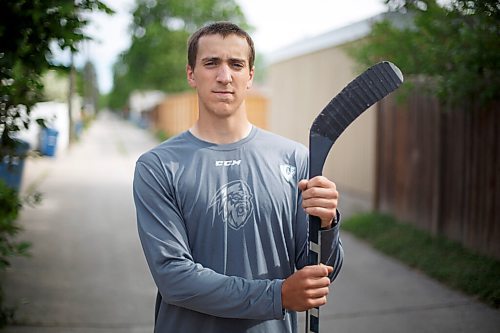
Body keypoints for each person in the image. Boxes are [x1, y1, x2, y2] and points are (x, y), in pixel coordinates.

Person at [133, 21, 343, 333]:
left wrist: (326, 224)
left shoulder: (295, 158)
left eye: (236, 64)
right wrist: (277, 295)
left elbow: (318, 272)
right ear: (191, 74)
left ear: (250, 76)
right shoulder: (159, 166)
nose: (224, 76)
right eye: (211, 63)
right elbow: (173, 277)